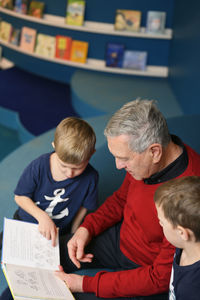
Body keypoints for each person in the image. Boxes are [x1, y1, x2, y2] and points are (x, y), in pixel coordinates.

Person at [55, 99, 200, 300]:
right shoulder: (142, 163)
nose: (118, 166)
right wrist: (87, 228)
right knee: (49, 255)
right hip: (119, 239)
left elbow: (159, 277)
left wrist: (85, 284)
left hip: (144, 272)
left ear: (154, 151)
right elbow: (121, 199)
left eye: (124, 158)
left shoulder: (189, 195)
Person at [0, 116, 98, 248]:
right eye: (63, 166)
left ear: (91, 154)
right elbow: (20, 197)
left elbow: (83, 208)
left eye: (77, 168)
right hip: (26, 221)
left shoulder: (91, 177)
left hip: (57, 232)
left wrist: (74, 232)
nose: (69, 173)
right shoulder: (39, 166)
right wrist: (42, 217)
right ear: (54, 147)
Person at [154, 176, 200, 300]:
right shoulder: (181, 245)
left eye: (162, 222)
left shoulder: (192, 289)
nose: (159, 224)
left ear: (182, 233)